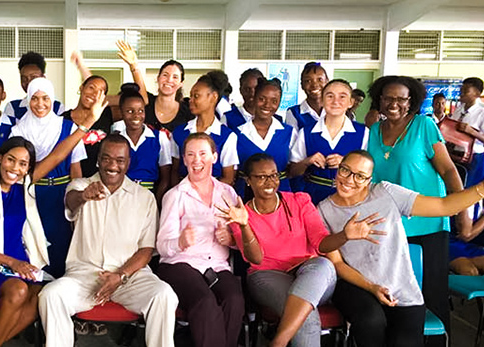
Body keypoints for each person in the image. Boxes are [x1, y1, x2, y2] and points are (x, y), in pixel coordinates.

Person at [317, 150, 484, 347]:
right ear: (338, 169)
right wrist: (371, 286)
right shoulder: (323, 210)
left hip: (401, 291)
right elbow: (337, 262)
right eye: (345, 170)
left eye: (360, 176)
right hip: (357, 287)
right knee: (371, 322)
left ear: (369, 180)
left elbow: (444, 206)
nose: (349, 180)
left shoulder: (385, 192)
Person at [0, 91, 107, 347]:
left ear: (28, 169)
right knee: (18, 290)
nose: (15, 168)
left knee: (43, 293)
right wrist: (13, 263)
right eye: (10, 160)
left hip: (20, 264)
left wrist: (86, 124)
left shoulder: (23, 186)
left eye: (23, 164)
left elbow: (58, 155)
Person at [219, 153, 380, 347]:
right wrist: (245, 225)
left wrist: (344, 235)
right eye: (261, 177)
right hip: (267, 275)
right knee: (306, 316)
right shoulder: (241, 214)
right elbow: (257, 258)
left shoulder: (299, 201)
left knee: (322, 264)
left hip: (313, 275)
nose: (269, 181)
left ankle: (278, 341)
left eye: (273, 175)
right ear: (248, 180)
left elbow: (321, 244)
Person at [39, 134, 178, 347]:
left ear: (128, 163)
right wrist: (84, 196)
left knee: (164, 294)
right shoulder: (81, 185)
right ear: (98, 160)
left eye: (120, 160)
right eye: (106, 158)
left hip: (129, 277)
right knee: (50, 295)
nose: (112, 165)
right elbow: (71, 201)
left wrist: (120, 276)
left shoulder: (144, 197)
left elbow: (146, 249)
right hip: (84, 276)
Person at [367, 75, 468, 336]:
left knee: (431, 292)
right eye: (388, 97)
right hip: (391, 225)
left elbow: (447, 169)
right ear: (379, 99)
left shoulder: (423, 125)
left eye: (402, 98)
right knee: (397, 293)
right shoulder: (374, 131)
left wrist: (460, 206)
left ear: (411, 101)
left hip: (429, 222)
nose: (394, 103)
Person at [156, 133, 245, 347]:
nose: (197, 160)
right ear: (184, 160)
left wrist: (231, 239)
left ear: (214, 157)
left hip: (217, 265)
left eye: (203, 154)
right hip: (180, 264)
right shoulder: (175, 195)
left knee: (234, 301)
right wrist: (180, 241)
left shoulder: (228, 193)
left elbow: (242, 239)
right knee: (204, 302)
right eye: (191, 155)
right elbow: (162, 247)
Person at [10, 77, 88, 279]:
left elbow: (76, 170)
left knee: (63, 244)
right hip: (32, 195)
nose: (40, 104)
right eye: (34, 99)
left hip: (62, 195)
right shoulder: (18, 131)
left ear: (52, 99)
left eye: (45, 98)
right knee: (33, 244)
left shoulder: (69, 128)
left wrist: (77, 203)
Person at [289, 79, 369, 205]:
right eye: (330, 96)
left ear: (351, 102)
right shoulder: (306, 132)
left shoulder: (363, 133)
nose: (335, 101)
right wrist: (307, 161)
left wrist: (346, 164)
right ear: (322, 100)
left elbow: (369, 171)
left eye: (342, 96)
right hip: (313, 197)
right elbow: (292, 171)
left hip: (350, 198)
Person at [171, 71, 239, 186]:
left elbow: (228, 178)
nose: (190, 100)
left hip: (214, 198)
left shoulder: (227, 136)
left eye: (196, 96)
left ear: (213, 97)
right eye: (191, 96)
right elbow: (174, 172)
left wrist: (203, 194)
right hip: (183, 196)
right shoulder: (179, 132)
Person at [234, 78, 295, 197]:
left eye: (274, 101)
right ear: (254, 98)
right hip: (245, 195)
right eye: (262, 99)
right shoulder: (237, 134)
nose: (267, 105)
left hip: (281, 193)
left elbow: (293, 169)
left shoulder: (289, 132)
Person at [117, 41, 193, 133]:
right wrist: (133, 65)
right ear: (158, 78)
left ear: (181, 83)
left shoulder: (188, 109)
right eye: (165, 75)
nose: (169, 80)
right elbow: (141, 87)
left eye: (175, 77)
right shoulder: (146, 102)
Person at [111, 88, 172, 201]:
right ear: (121, 112)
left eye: (140, 111)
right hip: (120, 196)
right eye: (130, 111)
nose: (136, 116)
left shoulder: (159, 138)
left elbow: (166, 178)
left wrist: (156, 202)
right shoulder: (116, 140)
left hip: (149, 195)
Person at [60, 75, 112, 177]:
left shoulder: (107, 115)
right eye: (91, 88)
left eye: (100, 92)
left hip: (100, 181)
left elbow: (139, 101)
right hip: (70, 182)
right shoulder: (63, 120)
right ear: (81, 87)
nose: (94, 94)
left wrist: (134, 66)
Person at [452, 77, 484, 188]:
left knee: (470, 192)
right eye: (461, 90)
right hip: (456, 155)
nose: (461, 93)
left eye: (466, 90)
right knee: (457, 189)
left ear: (477, 93)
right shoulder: (459, 109)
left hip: (474, 158)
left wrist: (472, 132)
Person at [4, 51, 64, 119]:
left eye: (33, 77)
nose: (29, 82)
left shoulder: (57, 107)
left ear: (43, 78)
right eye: (24, 78)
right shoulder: (13, 108)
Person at [284, 62, 328, 131]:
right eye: (308, 81)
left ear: (327, 82)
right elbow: (293, 141)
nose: (314, 85)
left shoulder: (336, 110)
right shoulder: (294, 113)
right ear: (302, 85)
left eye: (320, 79)